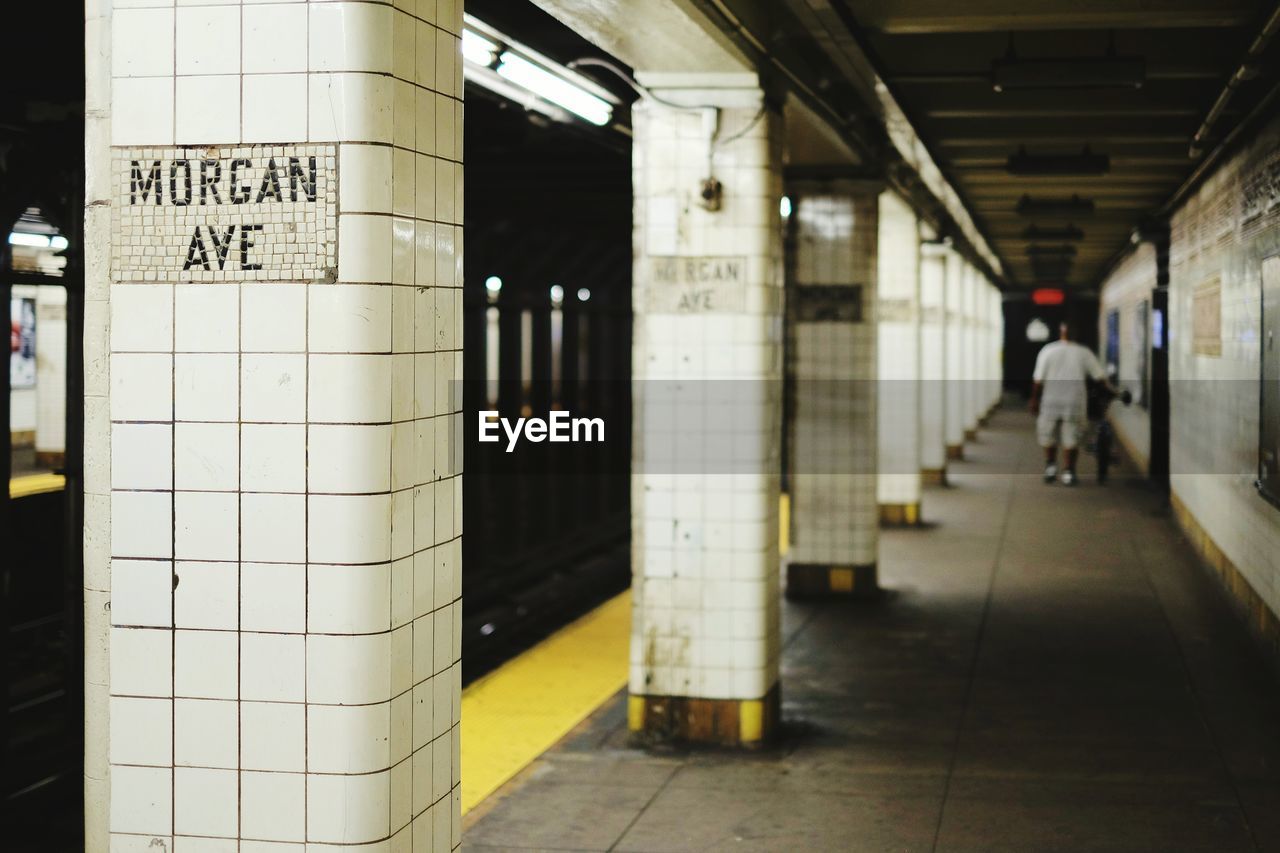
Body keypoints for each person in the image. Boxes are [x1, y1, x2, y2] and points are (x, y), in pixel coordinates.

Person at [1029, 322, 1116, 486]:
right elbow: (1099, 377)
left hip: (1050, 400)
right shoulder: (1083, 353)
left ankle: (1051, 467)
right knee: (1072, 436)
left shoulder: (1048, 351)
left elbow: (1038, 380)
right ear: (1075, 334)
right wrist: (1111, 391)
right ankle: (1068, 471)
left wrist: (1034, 399)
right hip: (1074, 401)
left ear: (1060, 333)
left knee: (1048, 434)